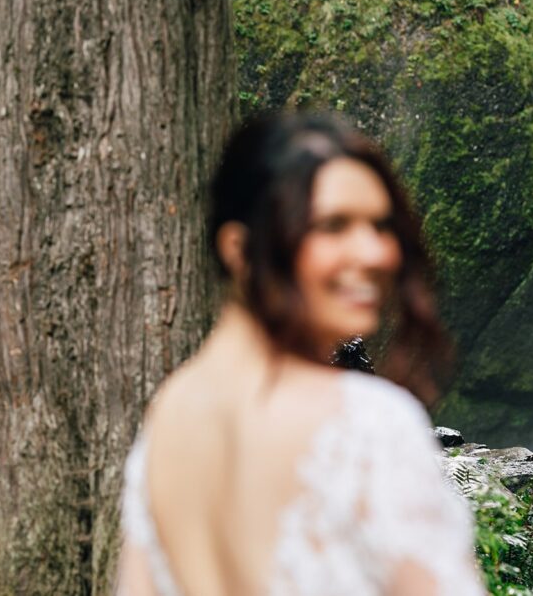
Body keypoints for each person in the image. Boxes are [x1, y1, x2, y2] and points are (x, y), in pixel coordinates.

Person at [116, 113, 484, 595]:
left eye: (379, 225)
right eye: (333, 226)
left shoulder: (169, 415)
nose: (375, 253)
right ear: (239, 250)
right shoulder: (369, 425)